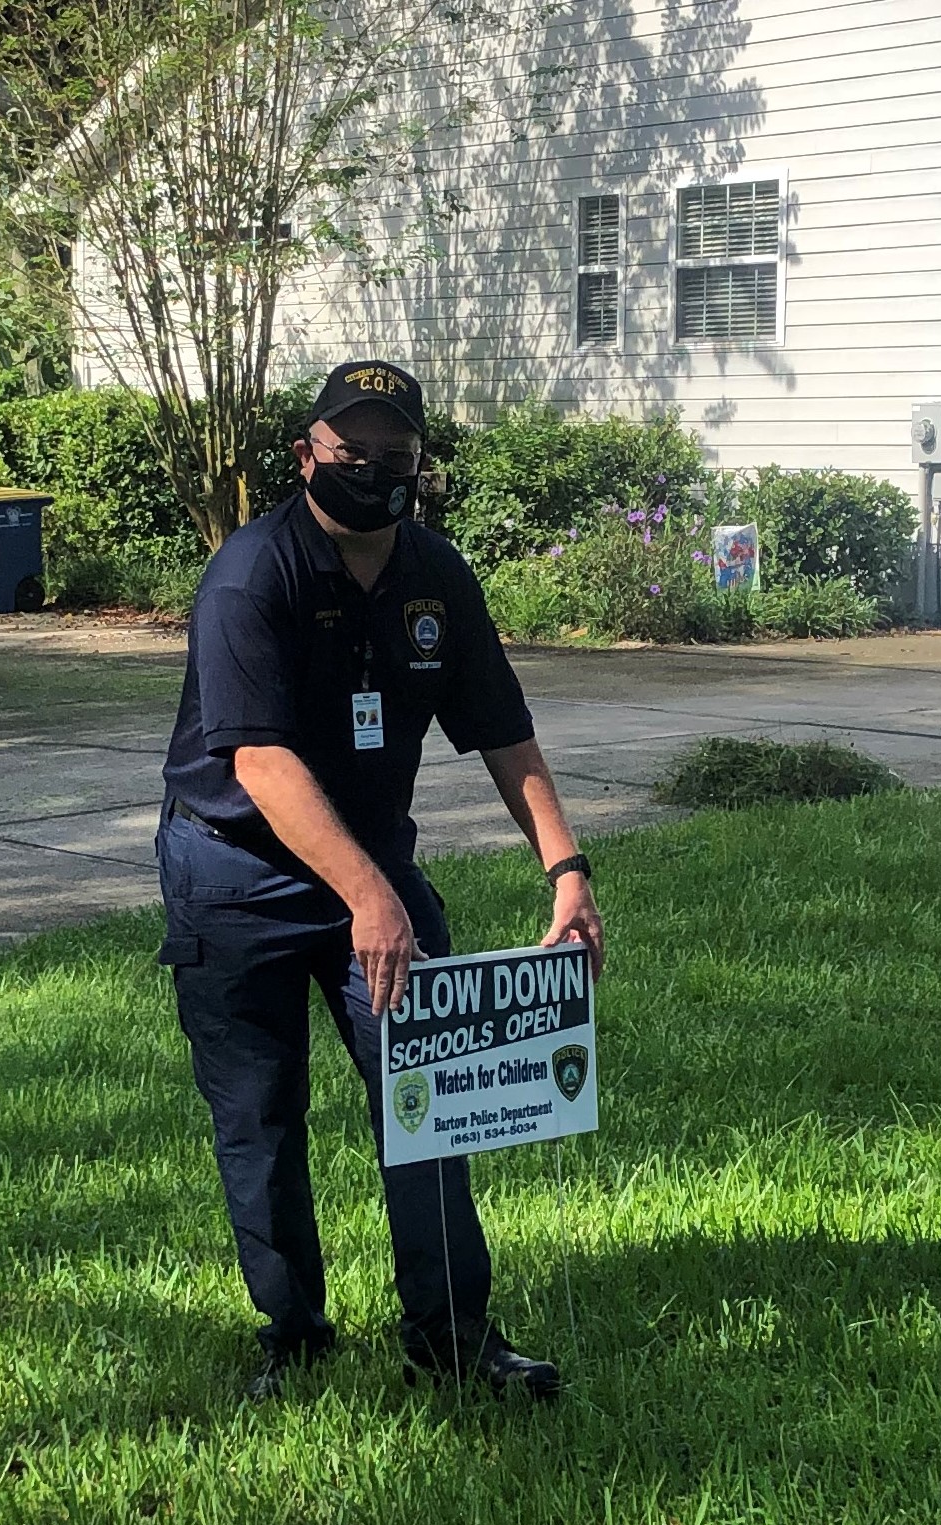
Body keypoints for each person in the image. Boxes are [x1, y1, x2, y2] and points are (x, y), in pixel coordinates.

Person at [156, 358, 605, 1402]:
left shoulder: (434, 575)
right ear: (305, 454)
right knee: (259, 1113)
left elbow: (504, 733)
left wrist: (566, 868)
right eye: (349, 451)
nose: (372, 470)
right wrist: (370, 895)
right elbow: (259, 762)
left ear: (419, 464)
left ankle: (450, 1337)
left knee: (433, 1094)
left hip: (373, 873)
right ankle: (293, 1332)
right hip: (234, 872)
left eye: (394, 454)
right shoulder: (249, 574)